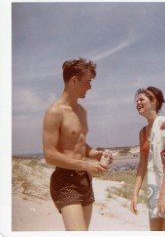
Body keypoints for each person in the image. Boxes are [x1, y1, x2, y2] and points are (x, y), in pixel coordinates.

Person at [43, 57, 110, 231]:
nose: (90, 86)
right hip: (65, 180)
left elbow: (79, 143)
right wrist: (85, 165)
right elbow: (49, 155)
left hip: (84, 180)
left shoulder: (82, 111)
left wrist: (95, 154)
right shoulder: (54, 112)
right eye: (88, 81)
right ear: (74, 80)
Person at [130, 86, 165, 231]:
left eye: (141, 99)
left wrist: (163, 195)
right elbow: (142, 166)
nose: (138, 103)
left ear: (153, 102)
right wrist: (135, 194)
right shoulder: (142, 133)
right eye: (136, 100)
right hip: (156, 189)